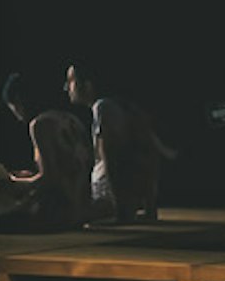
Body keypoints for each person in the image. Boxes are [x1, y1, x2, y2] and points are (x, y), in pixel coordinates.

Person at [62, 64, 170, 221]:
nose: (66, 88)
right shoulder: (124, 107)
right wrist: (150, 207)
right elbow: (149, 153)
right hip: (117, 200)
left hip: (106, 199)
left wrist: (120, 211)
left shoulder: (103, 108)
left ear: (87, 85)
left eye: (70, 80)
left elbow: (110, 158)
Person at [0, 79, 93, 233]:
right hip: (82, 209)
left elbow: (50, 178)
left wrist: (13, 182)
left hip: (59, 213)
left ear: (18, 101)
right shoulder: (71, 119)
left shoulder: (40, 124)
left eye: (13, 108)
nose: (16, 116)